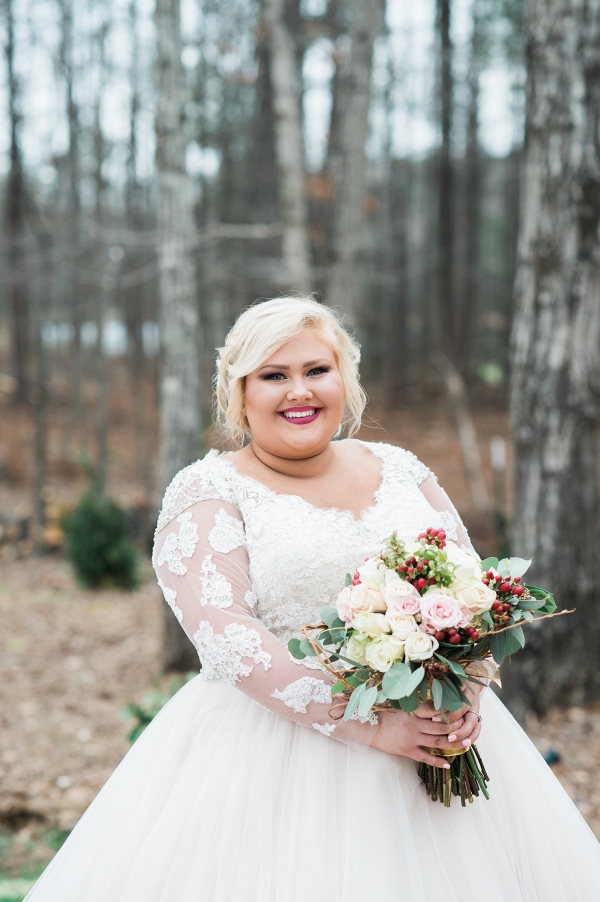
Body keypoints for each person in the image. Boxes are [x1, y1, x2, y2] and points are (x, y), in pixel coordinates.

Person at [25, 297, 600, 901]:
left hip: (438, 735)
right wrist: (374, 726)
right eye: (274, 376)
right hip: (273, 757)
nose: (298, 391)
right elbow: (228, 637)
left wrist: (467, 690)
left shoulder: (401, 469)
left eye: (315, 371)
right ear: (238, 393)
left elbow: (475, 591)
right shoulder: (209, 490)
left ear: (344, 380)